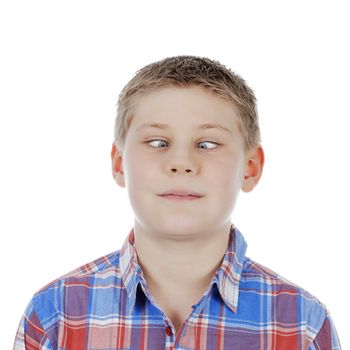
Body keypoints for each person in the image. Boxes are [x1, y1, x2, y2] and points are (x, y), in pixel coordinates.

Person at [13, 55, 341, 349]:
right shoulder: (56, 315)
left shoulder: (302, 326)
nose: (181, 163)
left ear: (250, 168)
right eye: (158, 142)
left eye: (207, 144)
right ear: (119, 163)